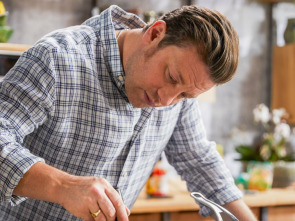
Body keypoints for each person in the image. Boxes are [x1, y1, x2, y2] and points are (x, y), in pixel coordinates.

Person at [0, 4, 256, 221]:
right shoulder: (58, 58)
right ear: (155, 34)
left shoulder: (182, 88)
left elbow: (198, 160)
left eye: (185, 95)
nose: (165, 101)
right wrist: (63, 186)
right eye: (170, 77)